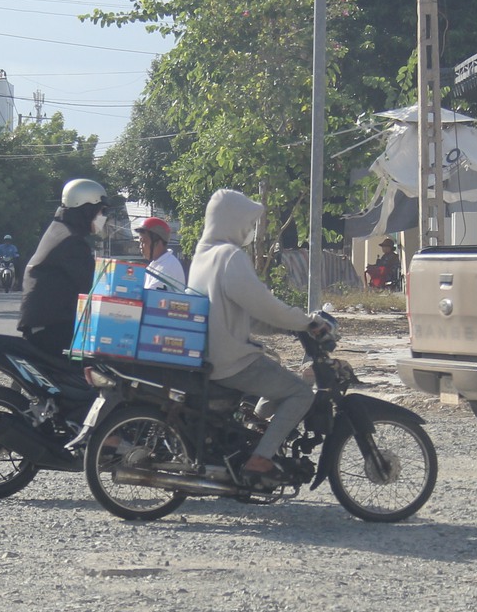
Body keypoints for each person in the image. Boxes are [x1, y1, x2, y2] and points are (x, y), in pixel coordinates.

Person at [189, 188, 330, 485]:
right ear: (233, 220)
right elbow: (263, 304)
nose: (250, 230)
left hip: (210, 356)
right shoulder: (229, 256)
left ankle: (260, 434)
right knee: (300, 392)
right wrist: (305, 321)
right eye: (248, 222)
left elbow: (248, 315)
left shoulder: (202, 255)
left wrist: (287, 326)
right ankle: (261, 458)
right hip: (231, 361)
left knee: (277, 377)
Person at [18, 177, 107, 355]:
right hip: (52, 326)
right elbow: (93, 283)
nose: (103, 217)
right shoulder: (72, 241)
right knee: (91, 366)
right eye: (101, 211)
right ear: (87, 208)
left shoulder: (61, 230)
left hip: (46, 321)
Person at [135, 216, 186, 287]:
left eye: (143, 241)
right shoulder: (155, 264)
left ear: (157, 243)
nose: (140, 246)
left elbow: (151, 296)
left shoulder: (168, 266)